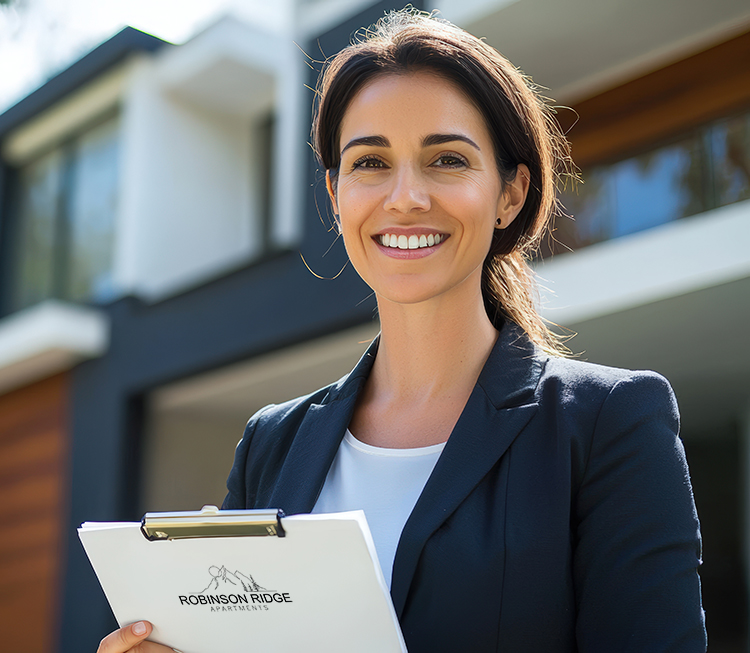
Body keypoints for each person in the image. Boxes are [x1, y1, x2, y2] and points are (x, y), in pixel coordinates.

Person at [97, 9, 706, 653]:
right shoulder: (272, 444)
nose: (406, 196)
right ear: (335, 196)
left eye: (446, 159)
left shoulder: (610, 422)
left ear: (510, 193)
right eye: (370, 163)